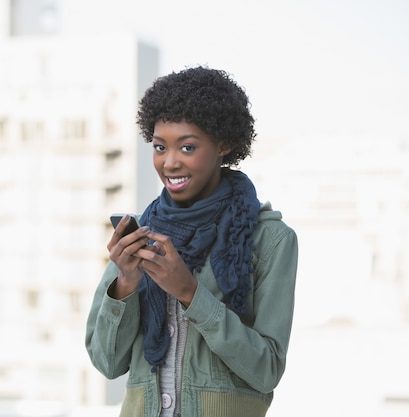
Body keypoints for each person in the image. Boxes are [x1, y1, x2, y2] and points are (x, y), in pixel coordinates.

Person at [85, 66, 298, 417]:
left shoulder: (271, 240)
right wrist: (125, 283)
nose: (169, 162)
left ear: (223, 145)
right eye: (159, 147)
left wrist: (189, 293)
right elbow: (108, 364)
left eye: (187, 147)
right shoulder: (142, 234)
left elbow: (267, 370)